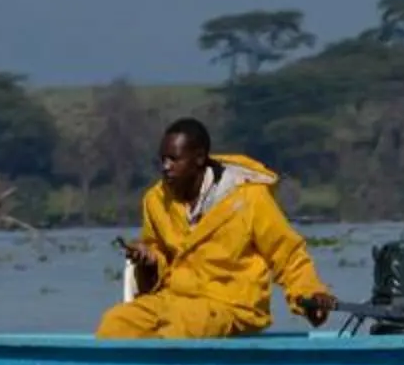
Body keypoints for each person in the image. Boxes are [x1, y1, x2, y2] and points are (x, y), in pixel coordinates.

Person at [97, 117, 336, 338]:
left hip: (231, 306)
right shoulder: (156, 200)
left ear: (199, 158)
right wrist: (149, 260)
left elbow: (287, 253)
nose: (166, 167)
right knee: (116, 322)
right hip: (174, 299)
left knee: (179, 330)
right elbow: (158, 254)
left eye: (174, 159)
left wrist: (310, 293)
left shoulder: (248, 198)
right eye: (163, 160)